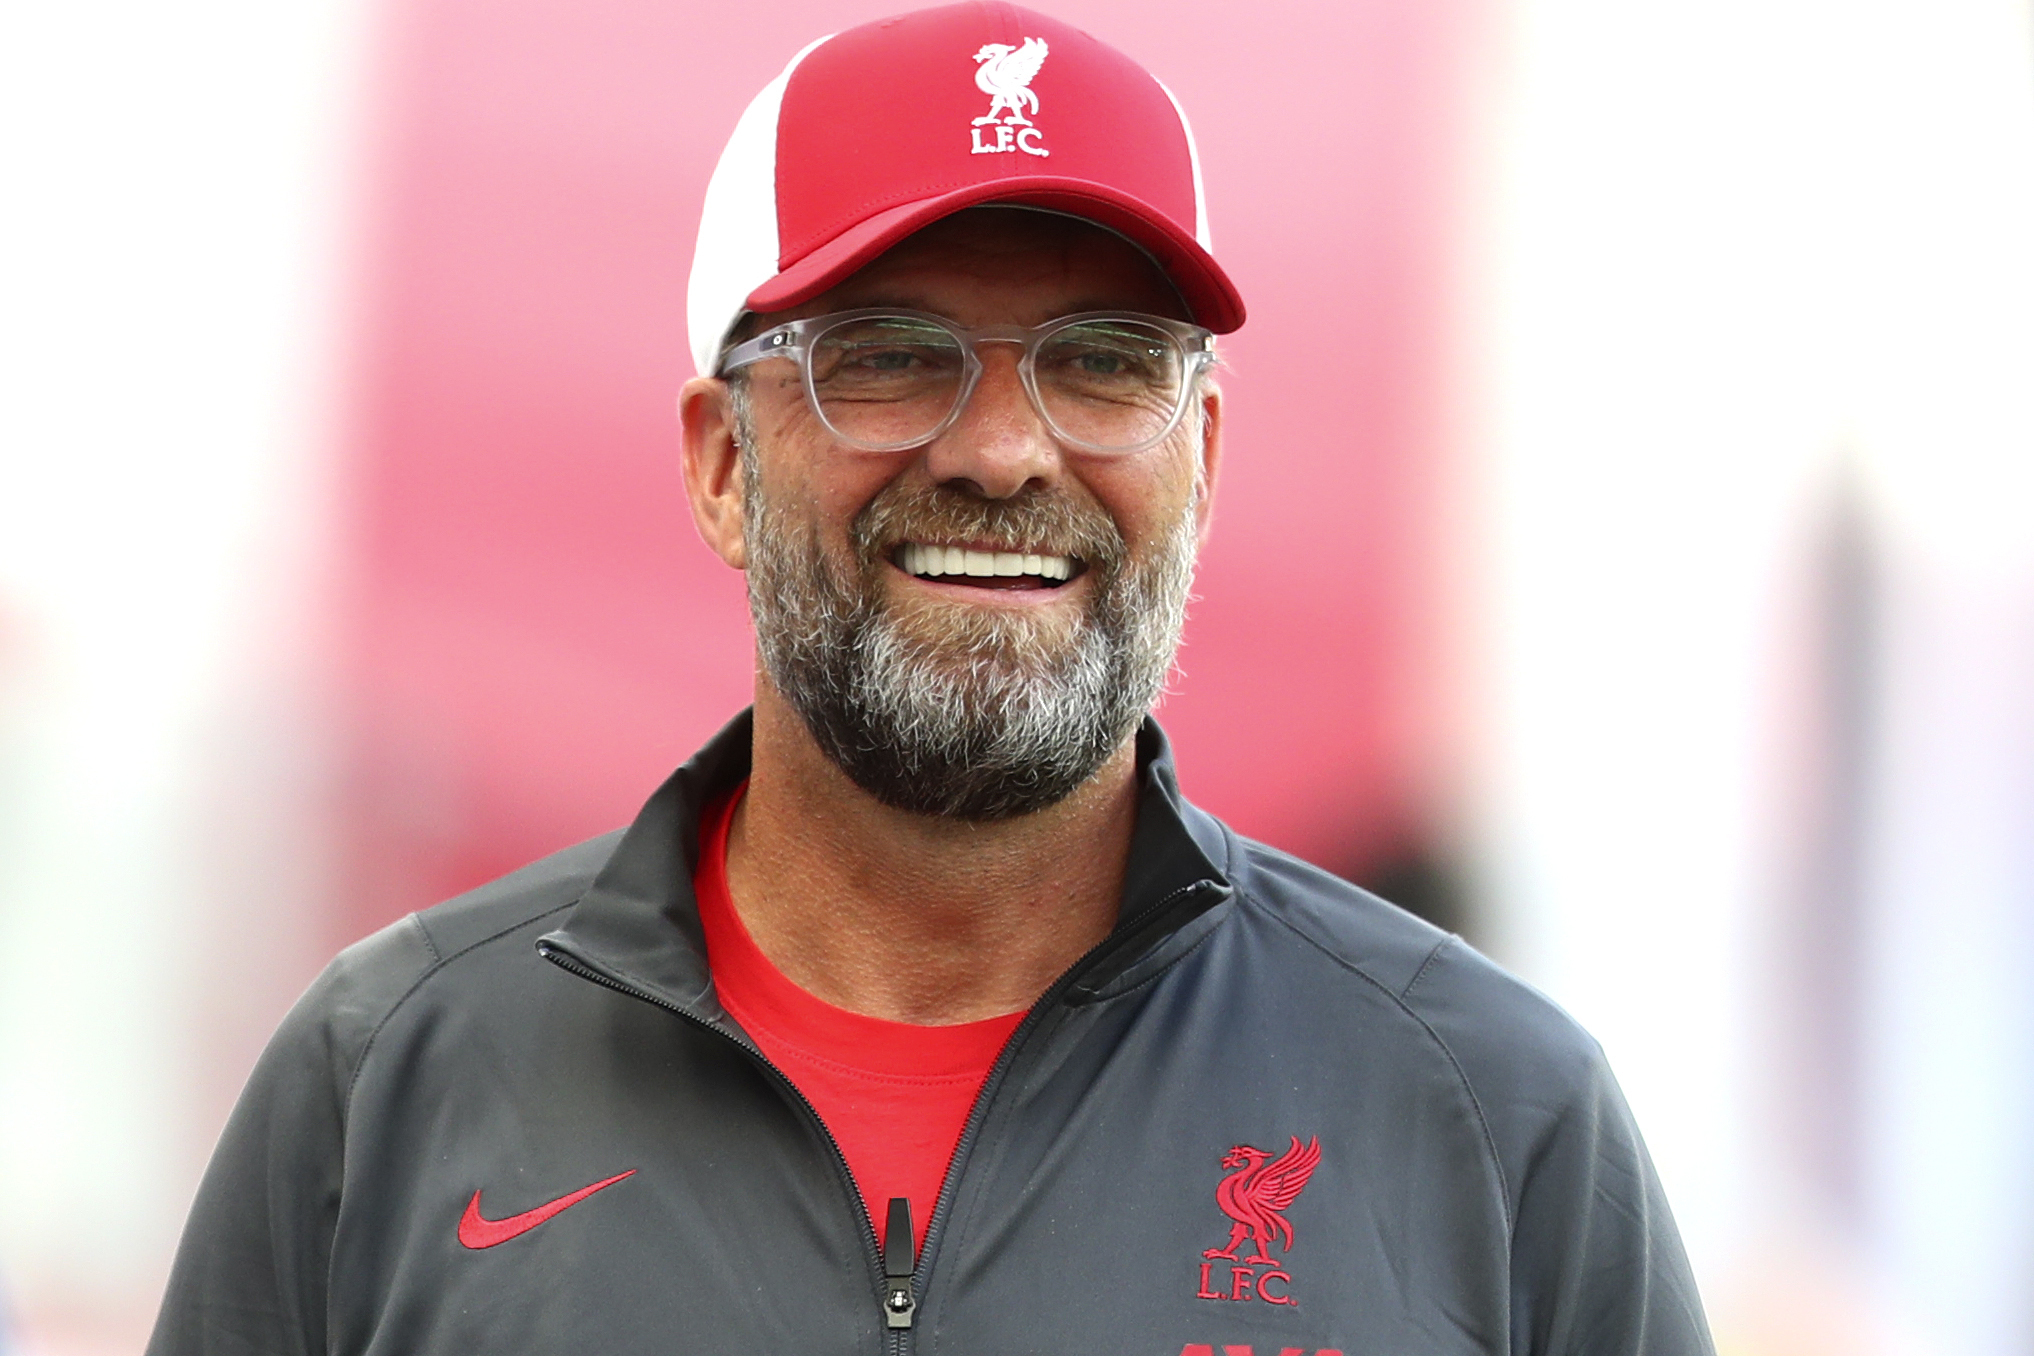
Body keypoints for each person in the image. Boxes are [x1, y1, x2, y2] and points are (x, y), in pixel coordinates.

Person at [148, 5, 1714, 1354]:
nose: (1003, 451)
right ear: (718, 464)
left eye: (1105, 362)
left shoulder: (1491, 1121)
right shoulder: (387, 1091)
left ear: (1206, 459)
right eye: (887, 353)